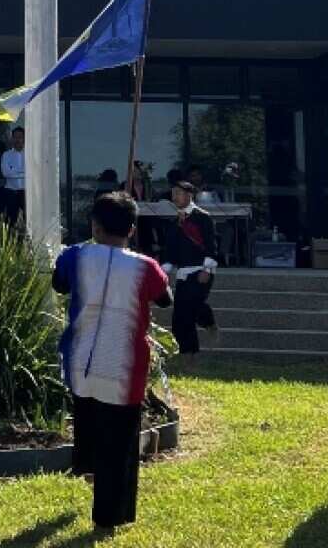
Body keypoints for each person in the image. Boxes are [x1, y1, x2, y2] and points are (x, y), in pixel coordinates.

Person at [53, 192, 173, 533]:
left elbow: (58, 284)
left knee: (88, 417)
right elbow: (165, 299)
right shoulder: (144, 267)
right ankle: (108, 515)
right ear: (132, 229)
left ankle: (89, 468)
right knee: (119, 441)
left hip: (81, 362)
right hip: (124, 367)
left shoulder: (75, 256)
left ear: (94, 225)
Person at [160, 181, 219, 356]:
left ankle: (209, 322)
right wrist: (163, 270)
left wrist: (207, 269)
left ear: (188, 195)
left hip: (201, 270)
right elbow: (170, 251)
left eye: (178, 193)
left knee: (192, 305)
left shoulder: (203, 217)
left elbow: (210, 244)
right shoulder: (174, 222)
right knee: (180, 316)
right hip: (183, 272)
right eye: (173, 193)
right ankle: (188, 353)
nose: (174, 197)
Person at [1, 127, 26, 226]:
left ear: (24, 138)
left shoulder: (30, 154)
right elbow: (6, 173)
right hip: (11, 192)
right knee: (10, 222)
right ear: (12, 139)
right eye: (15, 137)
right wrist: (23, 173)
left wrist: (14, 172)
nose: (17, 140)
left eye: (20, 137)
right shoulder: (6, 155)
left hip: (26, 192)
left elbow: (32, 173)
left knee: (29, 221)